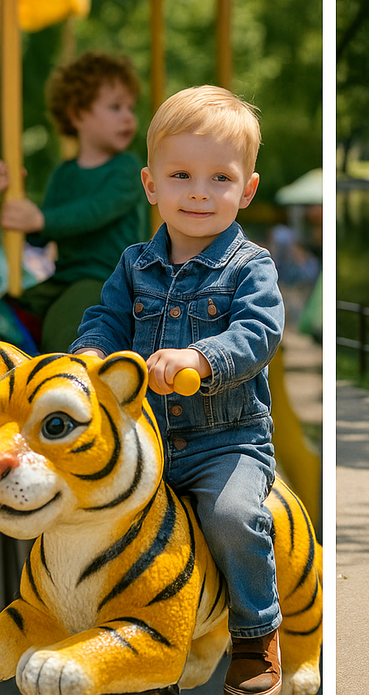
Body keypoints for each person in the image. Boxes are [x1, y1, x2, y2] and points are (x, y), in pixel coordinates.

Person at [71, 85, 287, 695]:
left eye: (220, 178)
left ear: (246, 190)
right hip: (148, 440)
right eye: (181, 175)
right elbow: (106, 319)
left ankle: (255, 631)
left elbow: (258, 332)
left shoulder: (251, 266)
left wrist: (201, 356)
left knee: (232, 515)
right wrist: (90, 357)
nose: (198, 191)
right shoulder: (134, 264)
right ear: (151, 185)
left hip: (227, 441)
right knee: (105, 518)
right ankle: (137, 631)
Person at [0, 50, 148, 351]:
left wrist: (41, 219)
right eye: (115, 107)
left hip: (109, 280)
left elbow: (93, 212)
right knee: (8, 311)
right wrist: (17, 202)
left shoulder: (128, 169)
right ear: (77, 113)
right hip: (64, 277)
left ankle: (67, 381)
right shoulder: (64, 174)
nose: (128, 117)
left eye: (130, 108)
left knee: (68, 322)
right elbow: (44, 234)